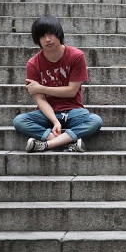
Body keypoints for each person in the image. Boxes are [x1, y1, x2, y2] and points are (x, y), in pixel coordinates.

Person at [13, 15, 102, 152]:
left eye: (51, 34)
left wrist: (41, 88)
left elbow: (71, 91)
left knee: (95, 121)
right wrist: (55, 121)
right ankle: (65, 142)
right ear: (37, 40)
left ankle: (47, 145)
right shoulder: (33, 64)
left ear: (59, 34)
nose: (47, 39)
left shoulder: (76, 56)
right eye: (42, 36)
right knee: (19, 121)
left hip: (73, 111)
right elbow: (41, 100)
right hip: (47, 114)